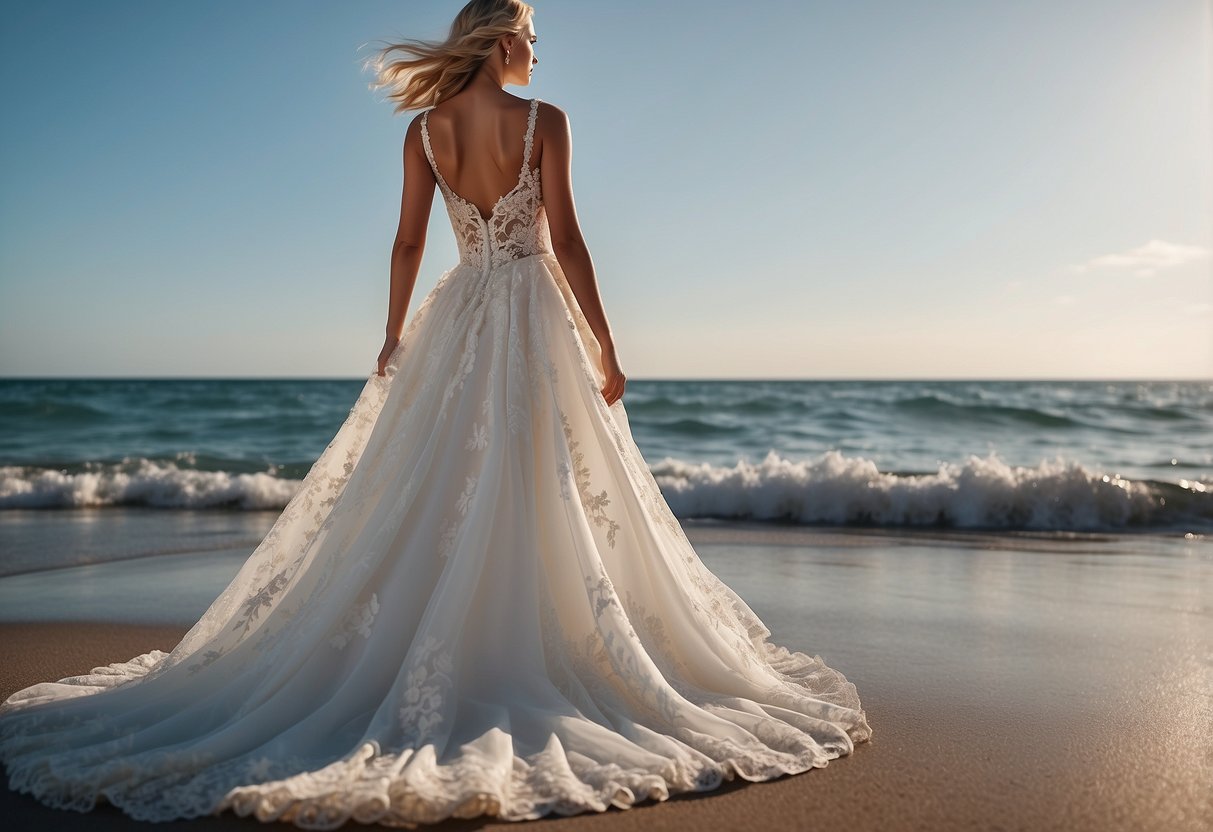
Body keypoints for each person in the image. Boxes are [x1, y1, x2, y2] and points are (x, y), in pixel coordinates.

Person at [0, 0, 871, 827]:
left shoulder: (425, 131)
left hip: (458, 312)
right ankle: (530, 634)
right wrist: (606, 343)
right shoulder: (545, 120)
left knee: (440, 477)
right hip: (533, 309)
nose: (538, 52)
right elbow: (564, 239)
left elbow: (411, 240)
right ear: (501, 43)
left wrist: (390, 335)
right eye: (531, 36)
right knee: (547, 474)